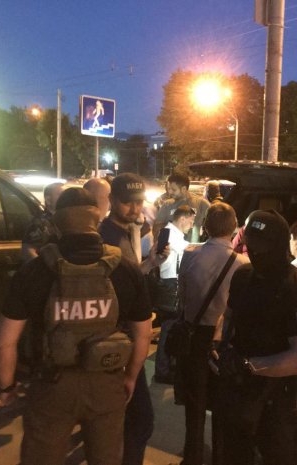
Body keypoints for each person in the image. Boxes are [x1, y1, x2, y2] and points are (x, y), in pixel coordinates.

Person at [0, 187, 152, 465]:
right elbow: (143, 335)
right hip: (107, 382)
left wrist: (7, 387)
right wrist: (130, 377)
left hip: (51, 386)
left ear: (57, 223)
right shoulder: (125, 269)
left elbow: (4, 343)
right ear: (97, 218)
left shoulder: (34, 271)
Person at [212, 209, 297, 465]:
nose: (255, 250)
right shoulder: (243, 275)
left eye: (262, 245)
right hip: (237, 394)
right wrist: (217, 346)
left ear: (278, 244)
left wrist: (248, 365)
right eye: (251, 242)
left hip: (275, 401)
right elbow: (228, 316)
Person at [98, 172, 167, 465]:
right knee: (139, 421)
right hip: (118, 339)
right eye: (128, 202)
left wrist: (151, 263)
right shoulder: (106, 237)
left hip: (123, 337)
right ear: (112, 200)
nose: (135, 208)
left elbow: (130, 277)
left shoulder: (127, 231)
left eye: (139, 202)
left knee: (128, 422)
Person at [175, 202, 250, 465]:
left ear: (205, 226)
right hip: (223, 341)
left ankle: (192, 457)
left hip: (194, 336)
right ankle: (220, 457)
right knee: (222, 405)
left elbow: (182, 298)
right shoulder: (243, 264)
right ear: (234, 227)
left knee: (194, 404)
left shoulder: (190, 254)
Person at [154, 205, 196, 384]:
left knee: (170, 326)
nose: (192, 225)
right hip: (169, 284)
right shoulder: (170, 234)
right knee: (169, 327)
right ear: (183, 218)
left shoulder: (173, 234)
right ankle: (162, 371)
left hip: (170, 284)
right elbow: (189, 249)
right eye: (191, 221)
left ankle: (167, 367)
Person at [153, 171, 210, 243]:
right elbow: (156, 229)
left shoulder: (201, 204)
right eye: (169, 189)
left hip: (193, 248)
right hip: (172, 248)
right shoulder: (167, 205)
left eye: (173, 190)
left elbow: (215, 226)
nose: (170, 192)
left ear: (184, 189)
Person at [21, 182, 64, 261]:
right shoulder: (39, 222)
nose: (65, 198)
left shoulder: (66, 220)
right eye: (60, 194)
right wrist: (43, 265)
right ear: (48, 200)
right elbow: (28, 250)